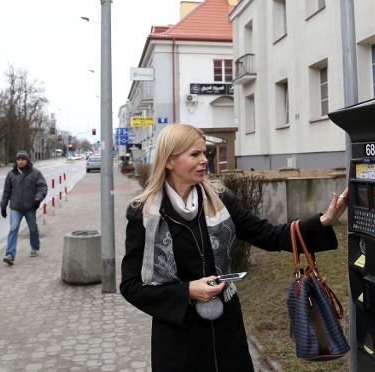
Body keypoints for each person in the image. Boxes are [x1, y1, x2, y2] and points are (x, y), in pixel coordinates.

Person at [120, 124, 349, 371]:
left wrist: (323, 221)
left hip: (228, 336)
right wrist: (186, 291)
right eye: (194, 155)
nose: (204, 161)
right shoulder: (142, 214)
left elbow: (268, 235)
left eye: (204, 153)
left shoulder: (220, 200)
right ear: (169, 161)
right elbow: (132, 287)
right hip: (179, 345)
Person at [0, 150, 48, 265]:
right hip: (15, 207)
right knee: (13, 229)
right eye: (18, 159)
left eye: (23, 159)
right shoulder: (11, 174)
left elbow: (42, 187)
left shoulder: (35, 173)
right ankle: (10, 255)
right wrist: (3, 205)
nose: (20, 162)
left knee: (33, 229)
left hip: (29, 206)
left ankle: (35, 247)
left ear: (27, 161)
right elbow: (6, 192)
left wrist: (38, 199)